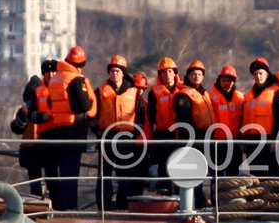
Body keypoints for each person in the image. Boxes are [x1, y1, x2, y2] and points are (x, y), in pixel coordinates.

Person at [36, 45, 96, 211]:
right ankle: (70, 207)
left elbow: (49, 104)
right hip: (74, 131)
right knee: (71, 173)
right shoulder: (76, 80)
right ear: (80, 65)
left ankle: (61, 205)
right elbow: (82, 106)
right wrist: (90, 102)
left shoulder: (56, 80)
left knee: (63, 173)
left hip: (58, 131)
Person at [95, 54, 139, 210]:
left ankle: (123, 205)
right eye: (112, 71)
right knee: (104, 175)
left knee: (125, 175)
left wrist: (134, 133)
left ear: (123, 73)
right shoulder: (100, 91)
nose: (115, 74)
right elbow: (94, 114)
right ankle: (104, 206)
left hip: (126, 139)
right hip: (106, 137)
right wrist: (97, 132)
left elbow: (140, 115)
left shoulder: (134, 93)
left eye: (118, 71)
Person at [172, 60, 215, 206]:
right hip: (192, 138)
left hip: (206, 137)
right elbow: (184, 119)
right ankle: (196, 201)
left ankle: (203, 200)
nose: (196, 77)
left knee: (205, 170)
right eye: (193, 74)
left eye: (199, 74)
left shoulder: (203, 93)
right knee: (194, 171)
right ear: (188, 76)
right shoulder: (184, 95)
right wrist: (193, 138)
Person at [11, 59, 55, 199]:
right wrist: (24, 116)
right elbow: (17, 128)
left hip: (43, 146)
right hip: (31, 148)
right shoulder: (23, 111)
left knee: (50, 177)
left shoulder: (45, 105)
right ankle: (38, 201)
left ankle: (49, 199)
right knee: (36, 179)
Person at [240, 57, 279, 177]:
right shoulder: (249, 95)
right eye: (255, 74)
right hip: (252, 140)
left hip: (269, 139)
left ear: (267, 74)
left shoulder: (276, 92)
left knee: (271, 175)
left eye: (260, 73)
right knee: (255, 176)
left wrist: (276, 140)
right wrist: (243, 141)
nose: (258, 76)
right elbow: (244, 119)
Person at [144, 57, 180, 189]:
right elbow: (152, 114)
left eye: (170, 71)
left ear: (175, 72)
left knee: (179, 165)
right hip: (163, 134)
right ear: (160, 74)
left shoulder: (183, 89)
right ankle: (163, 193)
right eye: (164, 72)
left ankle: (179, 194)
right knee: (163, 166)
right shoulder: (154, 92)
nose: (167, 74)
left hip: (179, 134)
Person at [208, 64, 244, 175]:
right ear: (219, 81)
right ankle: (215, 193)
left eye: (229, 81)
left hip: (234, 142)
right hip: (216, 143)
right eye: (224, 80)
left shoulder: (241, 98)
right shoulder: (210, 97)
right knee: (216, 175)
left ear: (233, 82)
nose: (226, 83)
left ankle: (230, 193)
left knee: (232, 175)